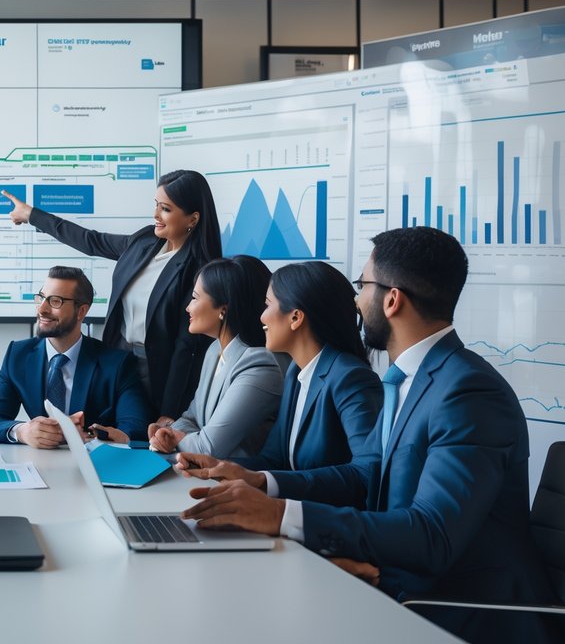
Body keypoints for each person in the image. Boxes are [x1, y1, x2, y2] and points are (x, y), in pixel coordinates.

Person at [181, 227, 556, 643]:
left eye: (363, 286)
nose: (356, 302)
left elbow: (432, 534)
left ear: (392, 300)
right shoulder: (406, 380)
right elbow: (366, 476)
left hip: (462, 610)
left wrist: (282, 516)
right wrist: (263, 483)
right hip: (402, 583)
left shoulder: (469, 393)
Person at [3, 170, 221, 419]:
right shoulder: (144, 241)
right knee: (101, 436)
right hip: (116, 360)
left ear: (192, 219)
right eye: (156, 205)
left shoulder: (198, 269)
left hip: (155, 371)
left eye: (166, 209)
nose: (155, 215)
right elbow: (91, 240)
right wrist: (32, 215)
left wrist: (171, 411)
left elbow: (186, 348)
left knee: (142, 439)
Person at [177, 261, 380, 476]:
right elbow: (274, 459)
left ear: (295, 317)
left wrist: (269, 487)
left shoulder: (351, 378)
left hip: (316, 509)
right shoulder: (296, 372)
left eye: (267, 305)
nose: (261, 316)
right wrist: (212, 467)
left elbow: (366, 474)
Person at [123, 256, 280, 458]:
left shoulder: (259, 365)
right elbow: (192, 418)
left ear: (223, 309)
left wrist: (174, 440)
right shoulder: (215, 350)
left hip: (233, 481)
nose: (188, 307)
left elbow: (209, 447)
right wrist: (168, 433)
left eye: (195, 298)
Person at [0, 266, 152, 448]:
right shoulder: (18, 355)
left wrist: (89, 434)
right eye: (41, 298)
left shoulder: (117, 364)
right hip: (37, 463)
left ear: (81, 312)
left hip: (96, 467)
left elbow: (136, 428)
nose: (42, 309)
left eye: (55, 301)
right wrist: (23, 431)